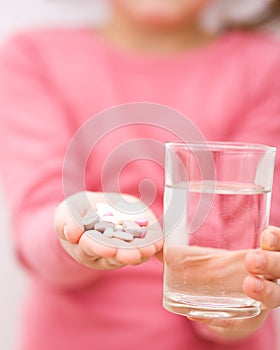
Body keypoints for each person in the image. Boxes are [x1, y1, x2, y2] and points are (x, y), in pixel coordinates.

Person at [0, 0, 280, 349]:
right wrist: (72, 227)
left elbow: (246, 248)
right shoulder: (33, 55)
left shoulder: (267, 67)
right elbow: (36, 222)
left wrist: (233, 311)